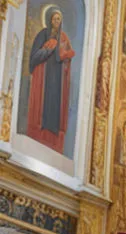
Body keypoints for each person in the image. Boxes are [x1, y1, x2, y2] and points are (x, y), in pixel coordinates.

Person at [26, 7, 75, 153]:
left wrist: (66, 56)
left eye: (59, 19)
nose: (56, 21)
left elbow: (66, 58)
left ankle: (53, 139)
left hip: (57, 81)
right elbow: (34, 57)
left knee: (54, 106)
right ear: (49, 20)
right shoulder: (43, 34)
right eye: (54, 18)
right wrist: (48, 49)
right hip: (44, 78)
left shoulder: (64, 38)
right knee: (43, 105)